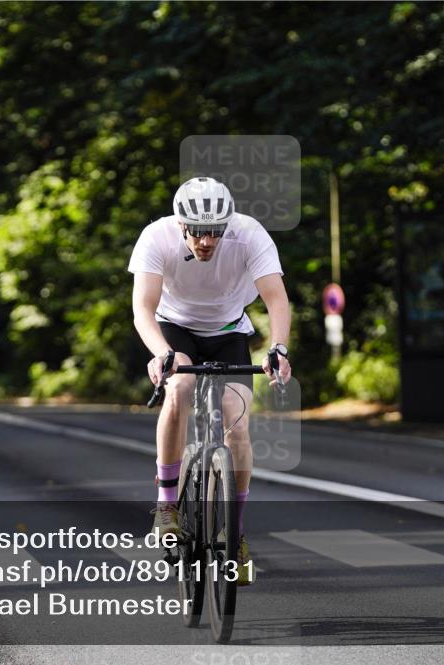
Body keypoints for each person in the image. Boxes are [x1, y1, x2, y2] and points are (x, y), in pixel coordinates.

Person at [128, 176, 292, 585]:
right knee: (180, 388)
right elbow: (143, 309)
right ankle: (167, 505)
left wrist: (279, 348)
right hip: (175, 328)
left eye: (215, 232)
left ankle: (234, 534)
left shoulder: (249, 234)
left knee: (237, 425)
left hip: (229, 332)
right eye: (198, 232)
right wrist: (161, 353)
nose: (206, 241)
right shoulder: (156, 237)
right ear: (180, 224)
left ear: (227, 225)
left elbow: (276, 298)